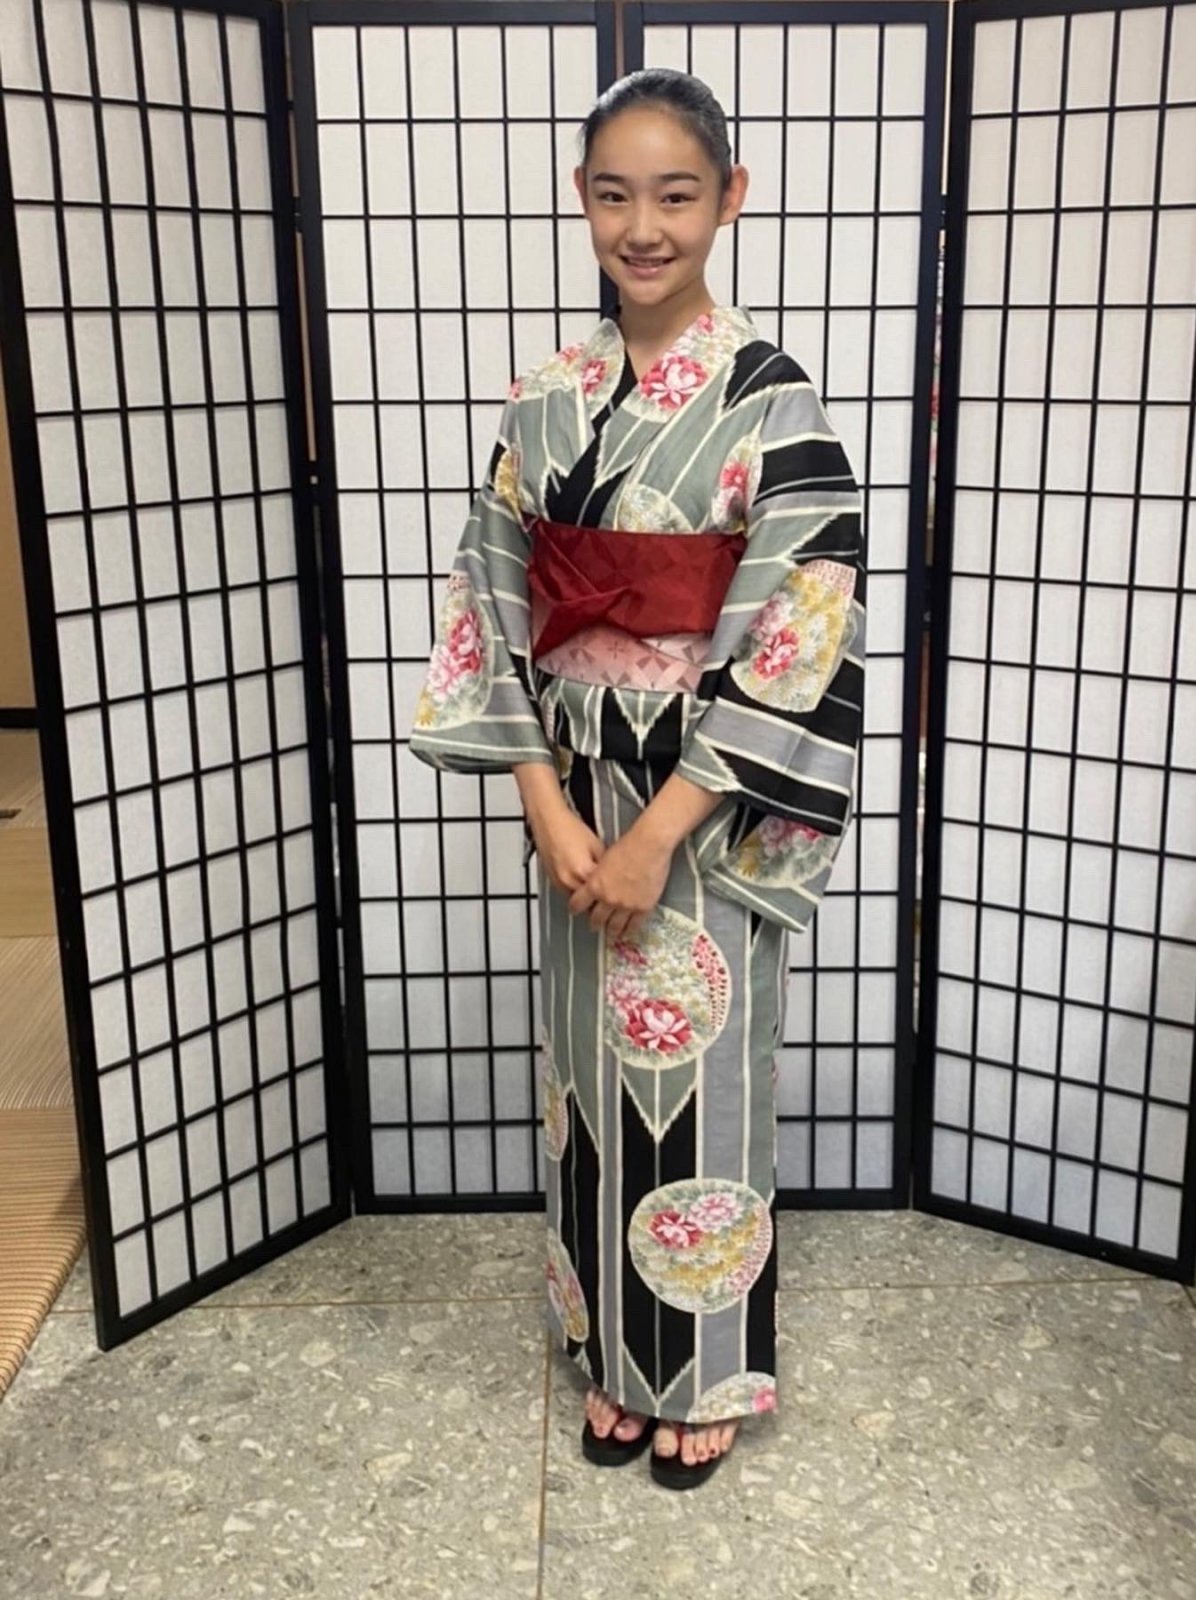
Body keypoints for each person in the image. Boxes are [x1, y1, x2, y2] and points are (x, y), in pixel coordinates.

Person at [409, 67, 866, 1489]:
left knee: (702, 1078)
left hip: (702, 813)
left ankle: (701, 1368)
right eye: (615, 195)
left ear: (731, 198)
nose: (644, 226)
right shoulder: (544, 401)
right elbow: (493, 603)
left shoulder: (774, 405)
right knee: (588, 1087)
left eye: (677, 194)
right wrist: (546, 805)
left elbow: (798, 634)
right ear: (582, 201)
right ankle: (614, 1348)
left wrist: (660, 833)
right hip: (574, 801)